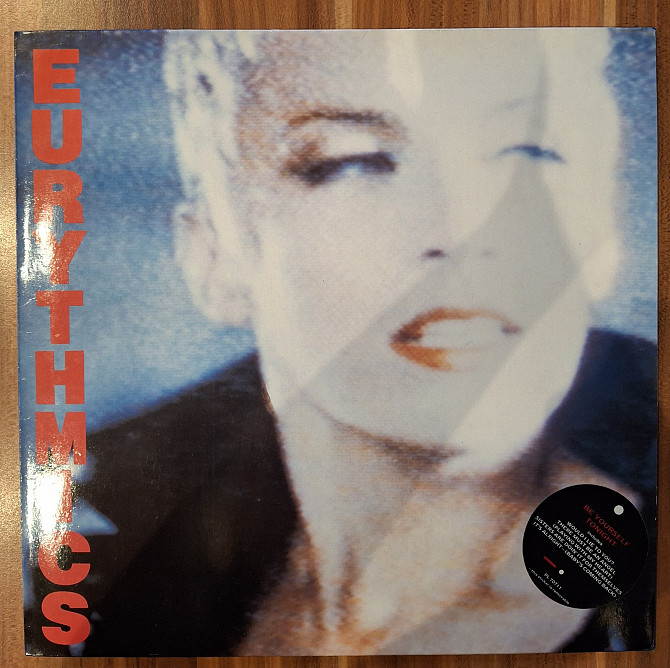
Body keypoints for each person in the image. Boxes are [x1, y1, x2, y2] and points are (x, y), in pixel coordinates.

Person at [75, 29, 656, 656]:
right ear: (213, 256)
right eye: (352, 162)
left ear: (601, 229)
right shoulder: (83, 568)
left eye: (527, 152)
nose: (460, 227)